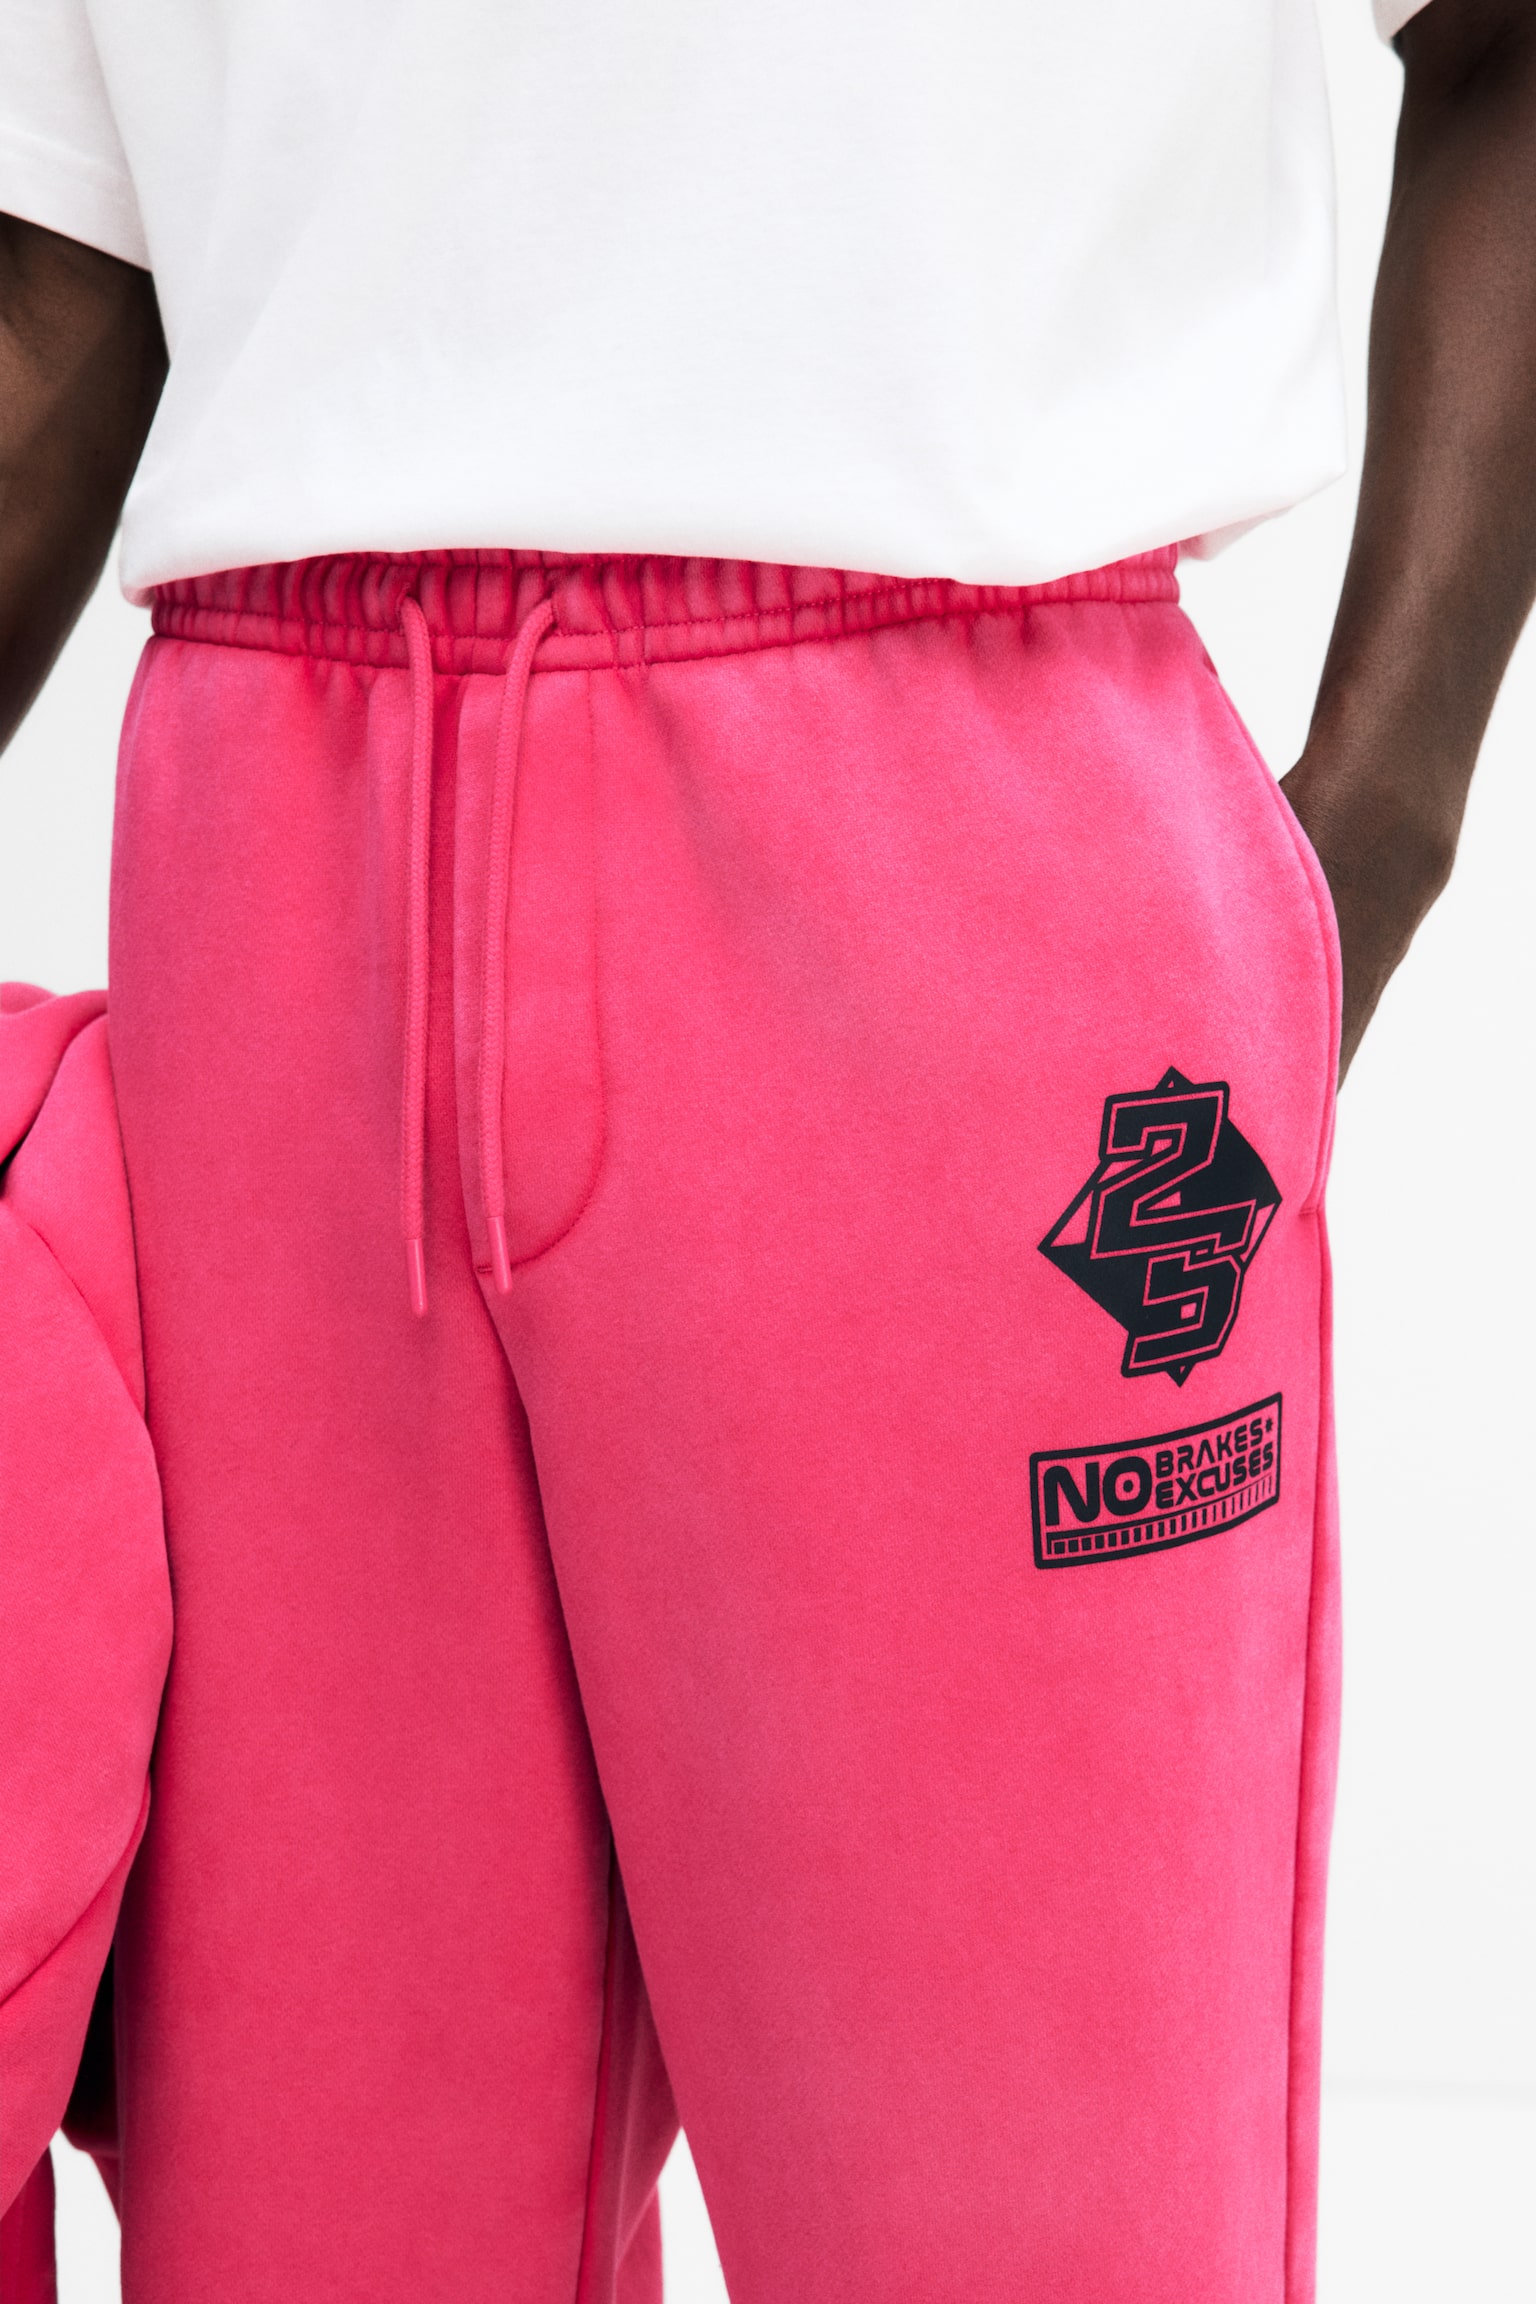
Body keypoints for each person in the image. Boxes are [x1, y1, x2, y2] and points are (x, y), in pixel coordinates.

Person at [0, 1, 1532, 2297]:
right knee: (320, 2222)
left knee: (1025, 2239)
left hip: (965, 839)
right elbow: (62, 270)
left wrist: (1379, 823)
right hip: (269, 871)